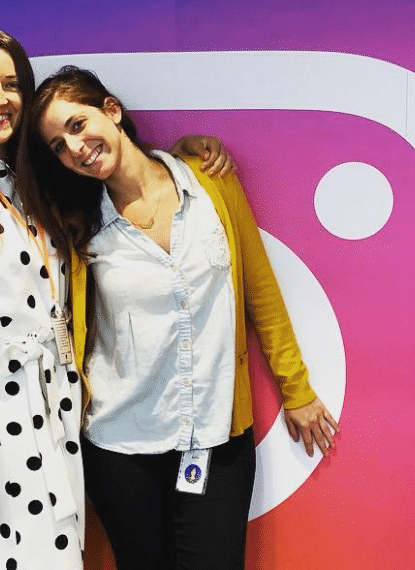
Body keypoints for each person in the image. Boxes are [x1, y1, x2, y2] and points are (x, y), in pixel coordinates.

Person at [0, 27, 230, 570]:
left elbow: (125, 174)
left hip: (58, 408)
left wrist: (189, 151)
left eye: (11, 85)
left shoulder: (33, 187)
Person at [21, 66, 340, 570]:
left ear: (111, 110)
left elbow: (259, 289)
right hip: (120, 444)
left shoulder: (210, 182)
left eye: (77, 125)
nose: (75, 148)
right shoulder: (77, 224)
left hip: (216, 438)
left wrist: (296, 388)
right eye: (58, 146)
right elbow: (25, 286)